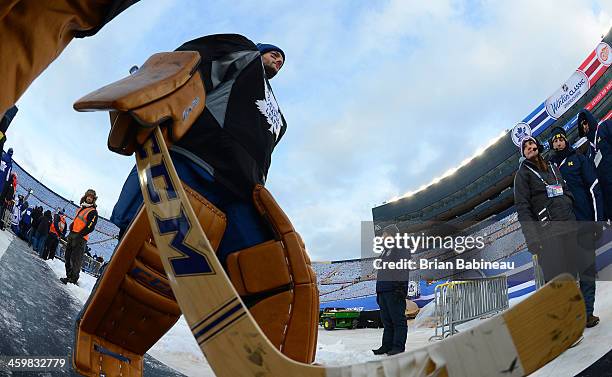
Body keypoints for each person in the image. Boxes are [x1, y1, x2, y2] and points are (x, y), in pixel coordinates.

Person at [549, 127, 602, 327]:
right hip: (564, 230)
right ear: (552, 145)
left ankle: (588, 313)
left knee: (587, 270)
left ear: (566, 141)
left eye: (561, 139)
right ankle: (573, 316)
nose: (558, 143)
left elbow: (594, 187)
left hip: (583, 222)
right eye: (555, 141)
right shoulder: (550, 167)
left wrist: (597, 220)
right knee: (569, 275)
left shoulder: (578, 159)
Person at [372, 224, 408, 356]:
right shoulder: (385, 250)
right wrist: (378, 291)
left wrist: (400, 288)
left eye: (384, 234)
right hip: (383, 290)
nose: (382, 237)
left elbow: (403, 268)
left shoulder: (401, 247)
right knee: (387, 321)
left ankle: (398, 346)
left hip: (394, 289)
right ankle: (386, 345)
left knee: (397, 320)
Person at [578, 109, 612, 220]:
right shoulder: (589, 153)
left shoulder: (605, 127)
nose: (584, 127)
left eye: (585, 122)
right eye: (582, 126)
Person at [61, 189, 98, 284]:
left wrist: (80, 234)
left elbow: (90, 226)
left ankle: (73, 279)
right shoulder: (82, 208)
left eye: (91, 197)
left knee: (76, 259)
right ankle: (68, 276)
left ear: (93, 199)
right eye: (88, 196)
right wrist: (72, 226)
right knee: (68, 256)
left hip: (81, 238)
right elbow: (78, 221)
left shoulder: (93, 211)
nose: (89, 198)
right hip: (72, 234)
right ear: (85, 196)